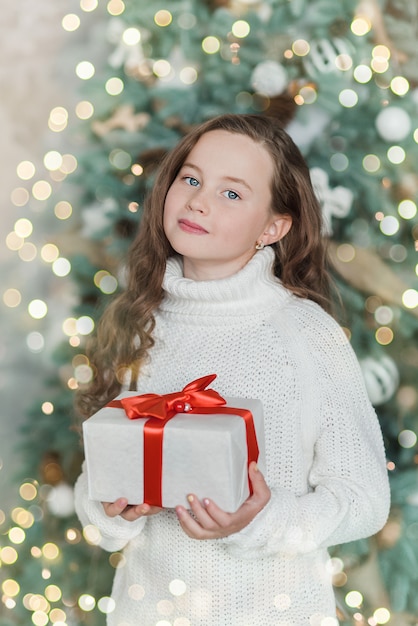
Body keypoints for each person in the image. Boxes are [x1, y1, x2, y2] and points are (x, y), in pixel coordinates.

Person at [74, 113, 390, 626]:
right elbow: (100, 482)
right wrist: (109, 512)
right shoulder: (139, 325)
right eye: (192, 179)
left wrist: (261, 521)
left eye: (232, 193)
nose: (198, 200)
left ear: (273, 227)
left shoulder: (305, 334)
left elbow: (365, 499)